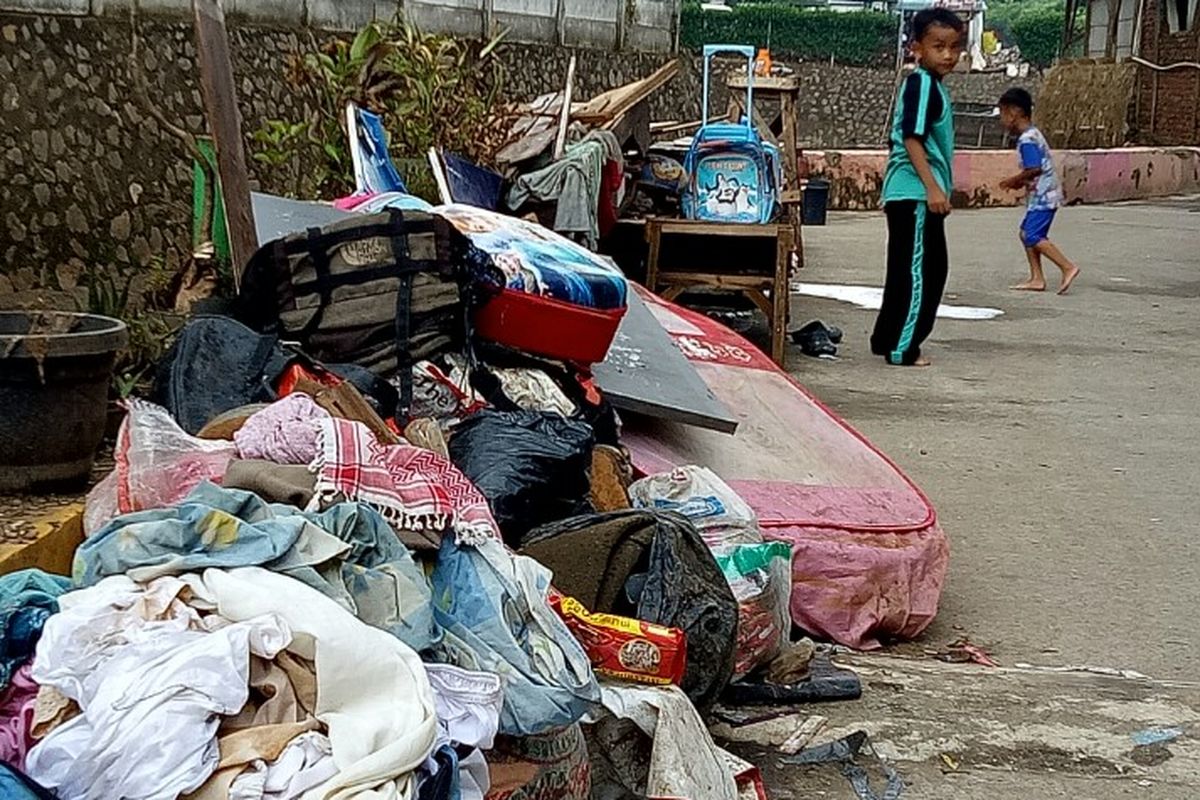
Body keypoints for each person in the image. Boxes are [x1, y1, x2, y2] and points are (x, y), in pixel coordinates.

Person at [870, 8, 965, 367]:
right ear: (917, 48)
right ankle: (903, 348)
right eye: (938, 46)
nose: (948, 55)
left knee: (905, 268)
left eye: (954, 47)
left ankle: (886, 338)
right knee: (925, 272)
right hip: (916, 193)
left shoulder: (927, 85)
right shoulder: (923, 83)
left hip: (909, 192)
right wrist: (933, 189)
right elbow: (912, 138)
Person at [998, 87, 1081, 295]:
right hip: (1042, 194)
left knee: (1033, 235)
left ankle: (1067, 266)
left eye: (1003, 113)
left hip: (1044, 196)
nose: (1001, 119)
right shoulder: (1033, 134)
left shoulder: (1027, 139)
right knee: (1025, 232)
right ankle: (1036, 277)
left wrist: (1013, 180)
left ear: (1014, 112)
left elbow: (1034, 167)